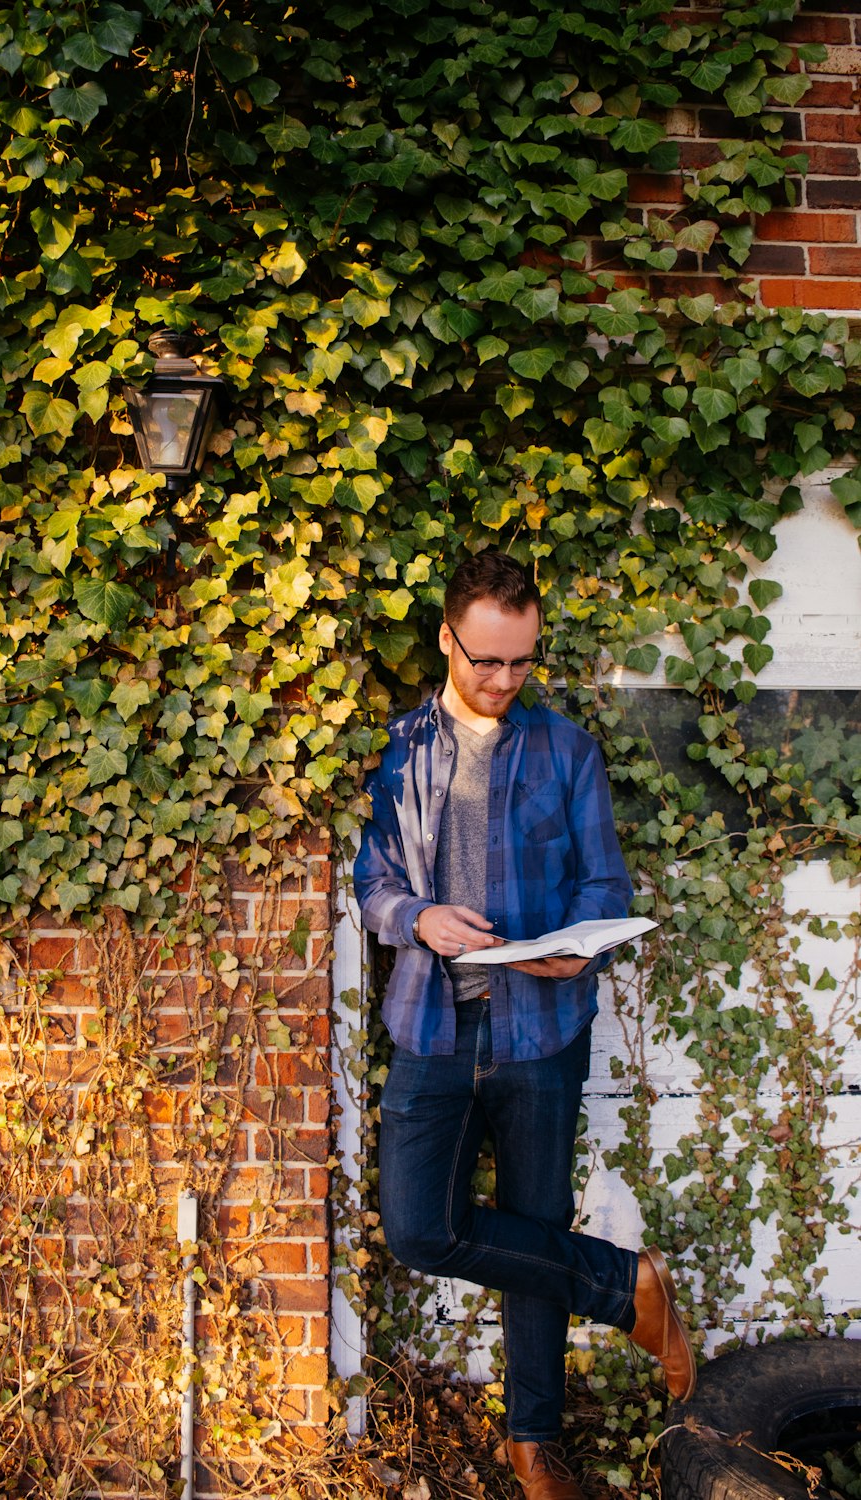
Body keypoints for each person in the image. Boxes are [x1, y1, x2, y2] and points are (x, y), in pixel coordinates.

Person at [354, 549, 695, 1500]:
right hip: (433, 1027)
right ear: (447, 641)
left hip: (542, 1028)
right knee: (421, 1229)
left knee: (536, 1226)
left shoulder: (566, 751)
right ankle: (623, 1286)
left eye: (520, 663)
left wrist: (578, 947)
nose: (503, 682)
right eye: (484, 662)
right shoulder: (401, 749)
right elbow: (372, 883)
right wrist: (416, 918)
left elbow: (605, 885)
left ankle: (534, 1445)